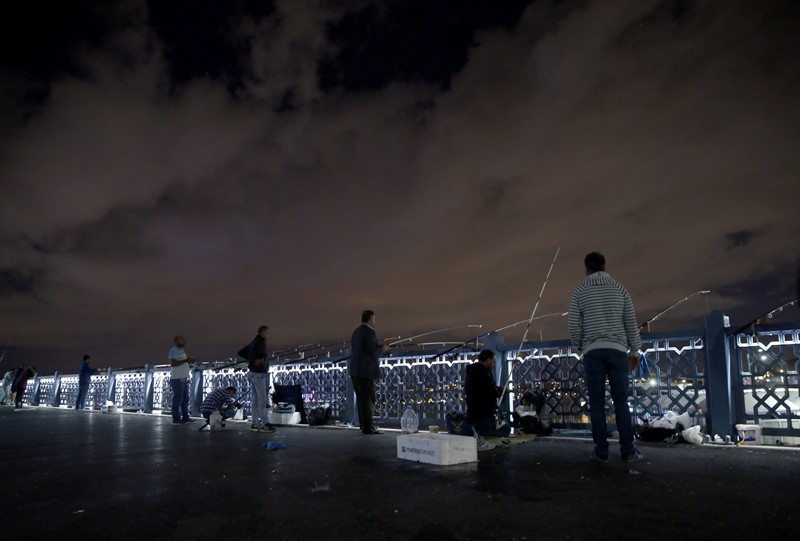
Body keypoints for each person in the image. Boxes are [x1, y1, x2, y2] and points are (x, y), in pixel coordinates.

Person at [568, 252, 643, 463]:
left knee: (597, 404)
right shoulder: (620, 289)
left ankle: (601, 452)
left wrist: (579, 345)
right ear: (604, 267)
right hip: (618, 350)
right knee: (621, 402)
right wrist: (635, 351)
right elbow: (630, 321)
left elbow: (573, 322)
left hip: (593, 352)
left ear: (587, 269)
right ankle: (627, 451)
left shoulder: (580, 291)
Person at [464, 349, 511, 450]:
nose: (494, 364)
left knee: (503, 428)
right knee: (506, 429)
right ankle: (482, 437)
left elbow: (488, 389)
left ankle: (482, 435)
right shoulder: (483, 374)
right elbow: (489, 392)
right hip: (483, 417)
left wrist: (498, 390)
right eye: (493, 361)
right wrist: (501, 391)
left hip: (474, 414)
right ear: (488, 360)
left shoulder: (473, 372)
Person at [349, 310, 385, 435]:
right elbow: (373, 352)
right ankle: (368, 427)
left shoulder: (356, 332)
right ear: (370, 320)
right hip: (365, 372)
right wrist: (383, 348)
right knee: (369, 399)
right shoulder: (369, 332)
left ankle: (363, 426)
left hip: (355, 371)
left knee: (361, 399)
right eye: (374, 319)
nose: (375, 321)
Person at [246, 326, 276, 433]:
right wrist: (258, 361)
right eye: (268, 333)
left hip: (252, 374)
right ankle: (265, 424)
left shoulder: (254, 341)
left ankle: (255, 424)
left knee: (255, 400)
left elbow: (243, 352)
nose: (269, 335)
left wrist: (252, 361)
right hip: (259, 375)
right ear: (263, 333)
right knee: (262, 400)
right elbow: (261, 357)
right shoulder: (261, 342)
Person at [168, 335, 196, 424]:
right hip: (177, 378)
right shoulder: (173, 350)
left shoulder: (182, 351)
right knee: (178, 399)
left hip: (184, 378)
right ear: (176, 341)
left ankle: (185, 417)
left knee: (185, 399)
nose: (183, 342)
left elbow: (182, 362)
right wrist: (186, 360)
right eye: (180, 340)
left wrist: (189, 361)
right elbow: (173, 363)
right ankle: (176, 418)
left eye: (183, 340)